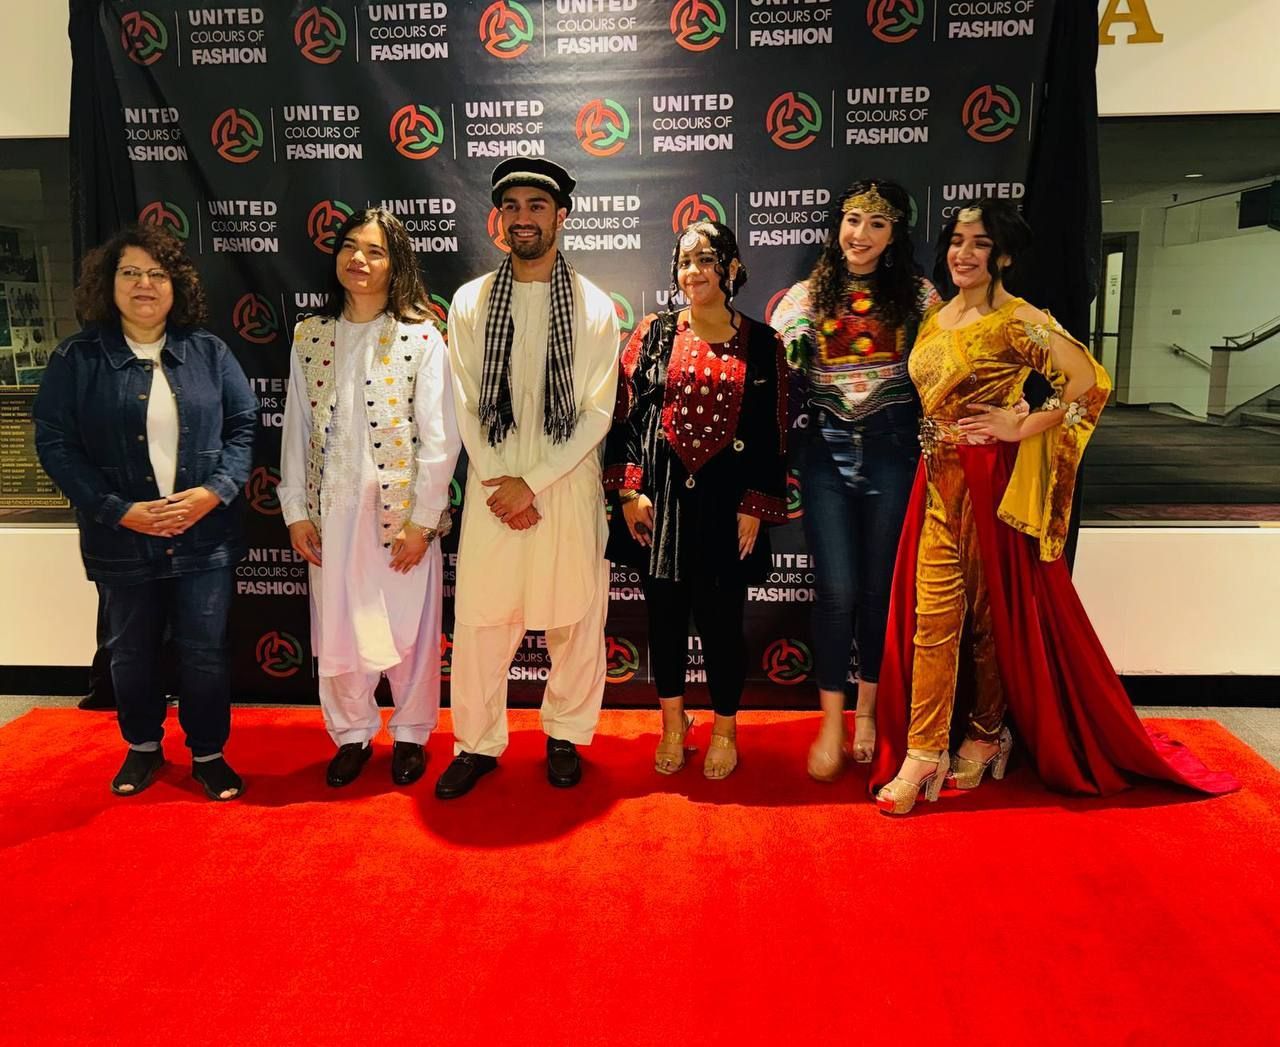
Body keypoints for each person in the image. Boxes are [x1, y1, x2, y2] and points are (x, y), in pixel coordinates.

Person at [870, 199, 1239, 814]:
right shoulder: (938, 315)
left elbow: (1089, 383)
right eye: (957, 240)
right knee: (932, 619)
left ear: (1003, 255)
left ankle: (986, 733)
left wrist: (1022, 425)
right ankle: (924, 751)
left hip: (988, 483)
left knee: (989, 619)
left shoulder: (1019, 321)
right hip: (934, 482)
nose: (964, 253)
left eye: (980, 243)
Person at [34, 225, 256, 800]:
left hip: (203, 535)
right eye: (130, 272)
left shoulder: (210, 353)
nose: (144, 285)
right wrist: (116, 510)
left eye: (157, 274)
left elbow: (243, 427)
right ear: (108, 284)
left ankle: (208, 753)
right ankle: (143, 747)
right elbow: (55, 444)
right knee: (130, 651)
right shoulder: (76, 358)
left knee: (204, 652)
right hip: (122, 537)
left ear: (175, 286)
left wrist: (214, 492)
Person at [436, 157, 619, 799]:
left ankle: (565, 734)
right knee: (482, 622)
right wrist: (503, 483)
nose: (523, 218)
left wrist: (532, 483)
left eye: (536, 207)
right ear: (499, 219)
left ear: (560, 217)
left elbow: (597, 411)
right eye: (511, 206)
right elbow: (464, 401)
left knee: (576, 619)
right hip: (495, 488)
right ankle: (476, 743)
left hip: (564, 486)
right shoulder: (471, 302)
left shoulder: (595, 307)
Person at [279, 208, 460, 789]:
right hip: (331, 516)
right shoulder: (310, 336)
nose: (359, 259)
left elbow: (441, 436)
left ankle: (411, 734)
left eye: (375, 250)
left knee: (411, 629)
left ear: (395, 263)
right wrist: (295, 511)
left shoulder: (420, 336)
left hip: (400, 519)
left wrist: (423, 521)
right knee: (338, 627)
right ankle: (351, 733)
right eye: (350, 246)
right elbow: (295, 427)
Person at [605, 223, 787, 779]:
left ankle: (725, 729)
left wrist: (755, 503)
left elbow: (773, 431)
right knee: (664, 619)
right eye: (685, 262)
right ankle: (672, 725)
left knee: (722, 622)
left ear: (730, 268)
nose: (694, 272)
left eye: (707, 260)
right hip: (661, 503)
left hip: (725, 505)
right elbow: (625, 412)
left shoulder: (763, 343)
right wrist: (629, 491)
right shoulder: (654, 333)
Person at [772, 180, 940, 782]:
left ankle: (866, 714)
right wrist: (790, 345)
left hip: (895, 449)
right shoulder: (805, 295)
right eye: (852, 220)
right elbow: (781, 349)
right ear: (836, 226)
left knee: (879, 589)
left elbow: (949, 361)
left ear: (895, 235)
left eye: (876, 223)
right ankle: (830, 723)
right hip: (825, 452)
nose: (860, 234)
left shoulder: (920, 298)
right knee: (836, 590)